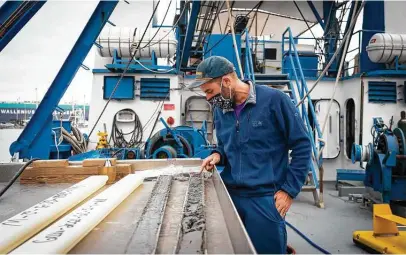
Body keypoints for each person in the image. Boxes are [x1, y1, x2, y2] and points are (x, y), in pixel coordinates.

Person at [188, 56, 312, 254]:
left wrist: (289, 191)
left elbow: (303, 145)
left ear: (226, 81)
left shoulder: (275, 100)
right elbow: (227, 145)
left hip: (264, 199)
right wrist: (217, 155)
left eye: (210, 91)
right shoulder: (222, 110)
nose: (208, 99)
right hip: (231, 196)